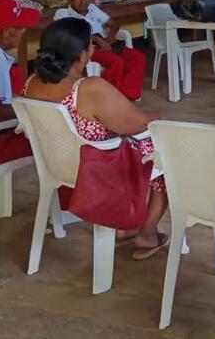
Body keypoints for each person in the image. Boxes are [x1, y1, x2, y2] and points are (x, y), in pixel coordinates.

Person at [23, 18, 169, 260]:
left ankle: (126, 224)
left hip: (58, 165)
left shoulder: (31, 83)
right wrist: (158, 116)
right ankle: (148, 231)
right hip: (97, 169)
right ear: (81, 55)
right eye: (89, 44)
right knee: (167, 153)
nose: (93, 48)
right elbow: (139, 123)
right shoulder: (89, 89)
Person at [54, 0, 146, 101]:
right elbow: (68, 35)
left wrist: (111, 37)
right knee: (116, 62)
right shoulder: (63, 14)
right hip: (85, 48)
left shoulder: (92, 9)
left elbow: (114, 23)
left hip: (105, 43)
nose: (84, 1)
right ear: (70, 0)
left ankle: (127, 94)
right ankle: (108, 98)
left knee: (138, 57)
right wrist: (96, 39)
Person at [0, 0, 40, 164]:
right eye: (21, 27)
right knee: (48, 138)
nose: (24, 31)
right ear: (7, 32)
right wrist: (28, 110)